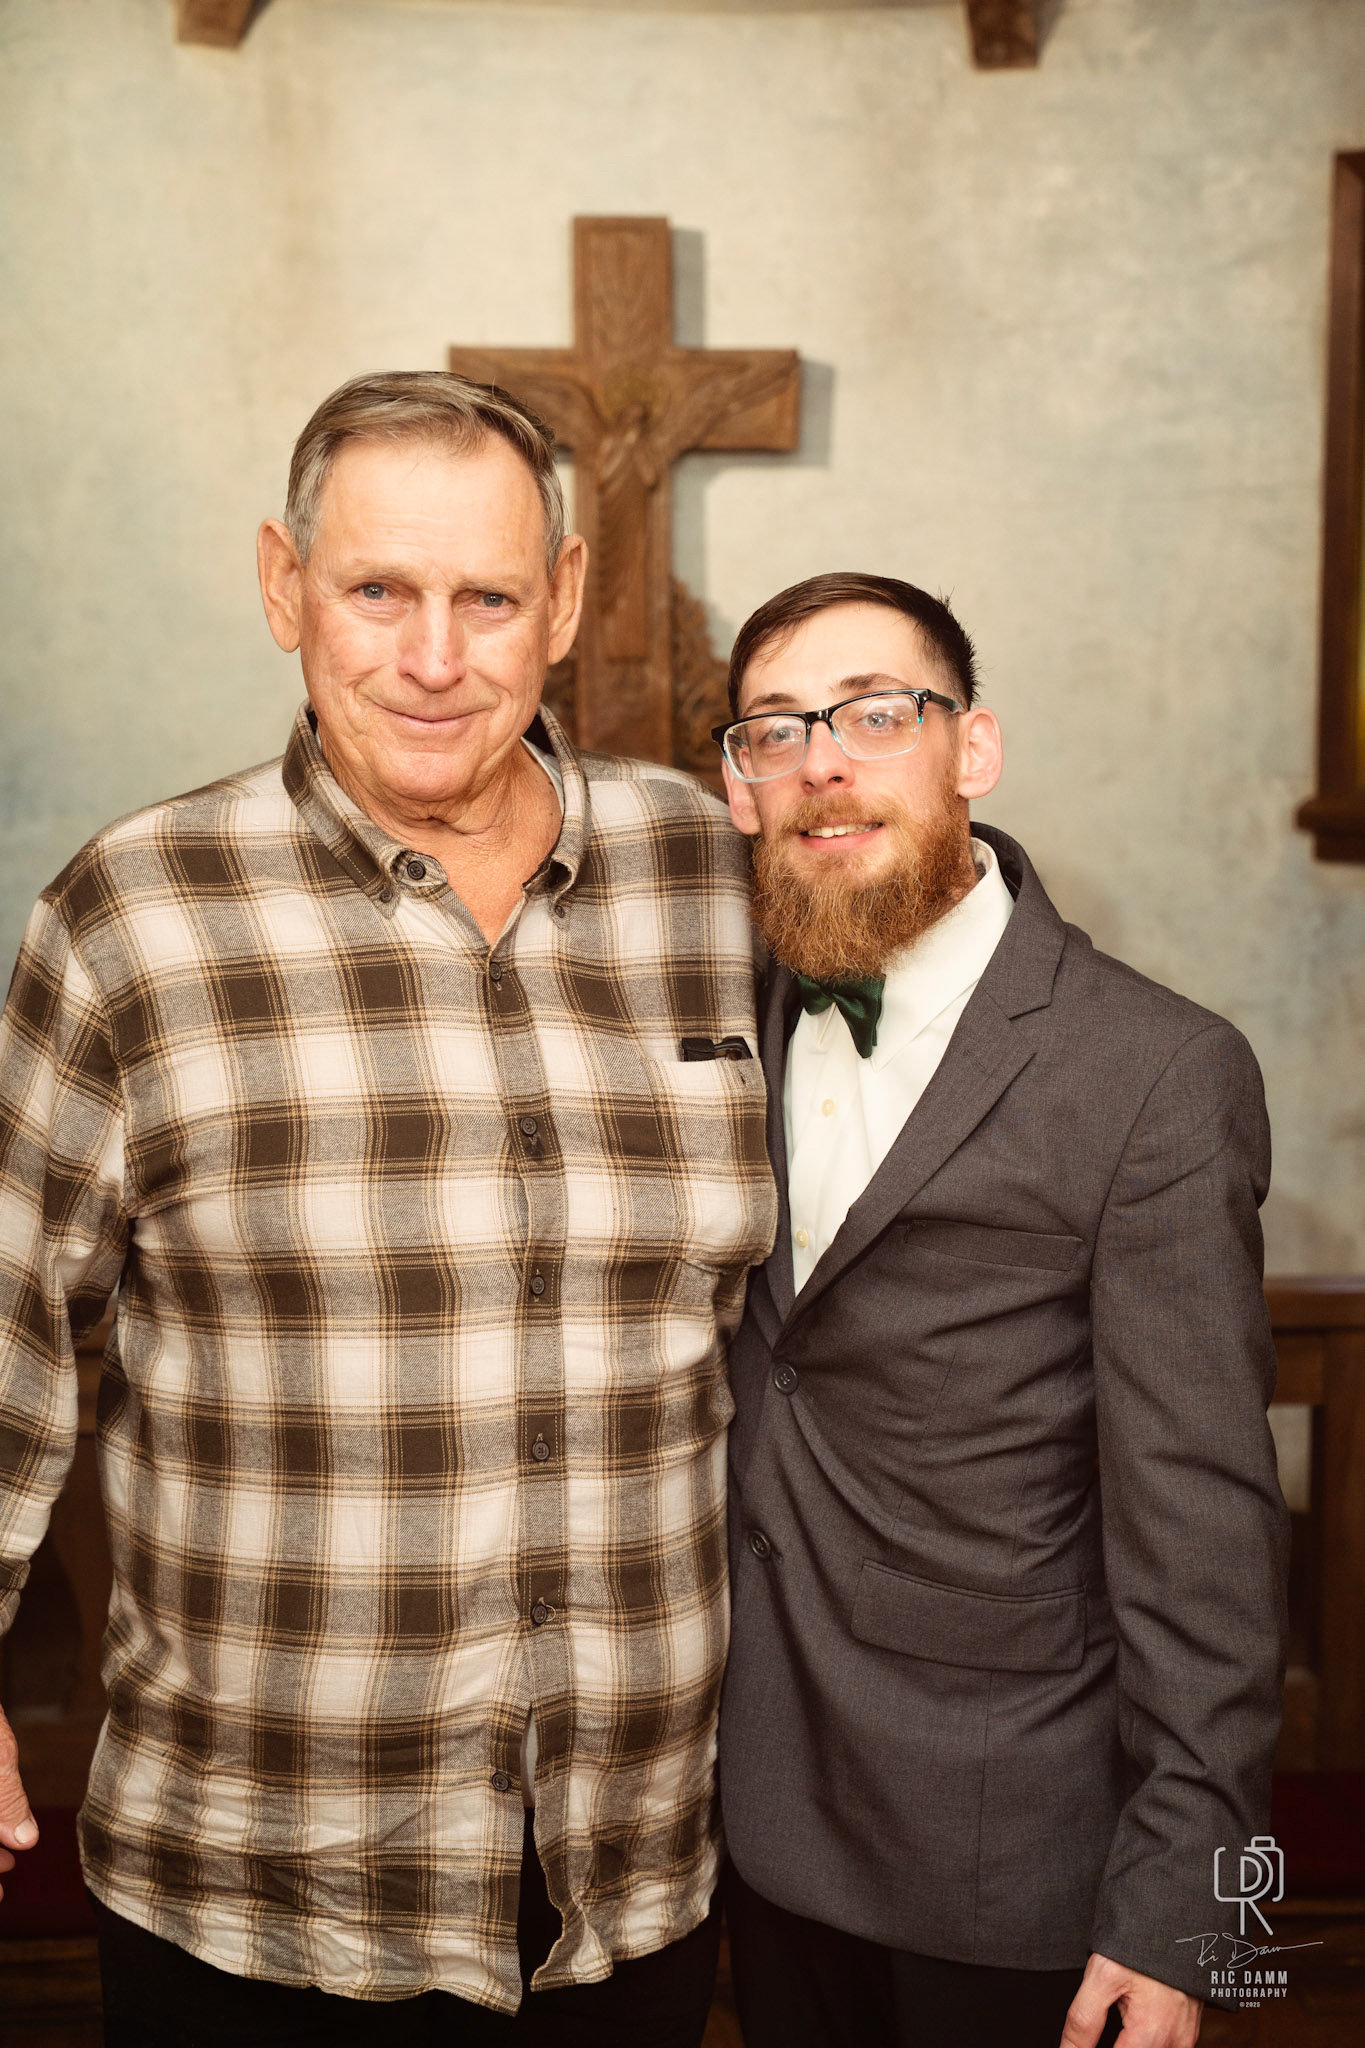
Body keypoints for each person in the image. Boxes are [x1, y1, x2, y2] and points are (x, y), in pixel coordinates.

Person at [0, 371, 777, 2046]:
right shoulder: (134, 914)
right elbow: (8, 1338)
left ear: (563, 600)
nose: (434, 659)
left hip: (632, 1880)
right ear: (284, 585)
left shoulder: (717, 883)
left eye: (487, 598)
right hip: (258, 1884)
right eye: (377, 591)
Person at [710, 572, 1289, 2048]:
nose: (821, 762)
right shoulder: (724, 1001)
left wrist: (1193, 1919)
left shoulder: (1153, 1072)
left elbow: (1206, 1529)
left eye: (874, 715)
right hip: (754, 1822)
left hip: (1010, 1849)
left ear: (971, 749)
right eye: (775, 729)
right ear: (737, 786)